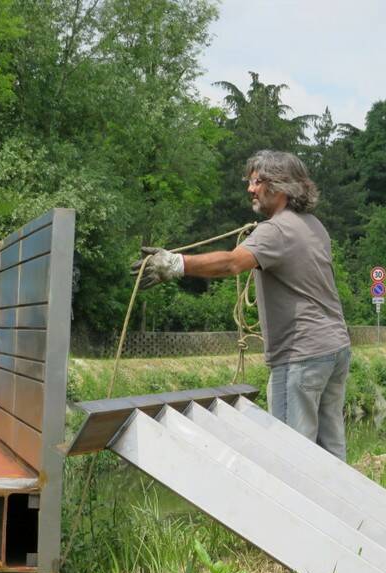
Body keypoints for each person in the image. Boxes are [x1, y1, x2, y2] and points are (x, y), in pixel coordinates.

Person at [130, 150, 351, 460]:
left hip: (300, 355)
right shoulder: (314, 225)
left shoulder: (275, 231)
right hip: (335, 349)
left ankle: (289, 511)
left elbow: (232, 264)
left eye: (257, 181)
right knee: (331, 456)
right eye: (250, 181)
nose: (250, 189)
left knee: (293, 461)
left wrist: (176, 264)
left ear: (280, 185)